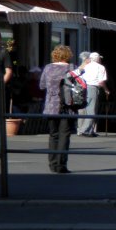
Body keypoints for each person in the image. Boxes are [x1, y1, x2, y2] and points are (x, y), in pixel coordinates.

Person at [39, 44, 76, 174]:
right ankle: (61, 164)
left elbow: (42, 85)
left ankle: (52, 163)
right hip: (67, 106)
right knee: (64, 135)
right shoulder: (72, 68)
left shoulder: (48, 68)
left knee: (53, 135)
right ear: (68, 55)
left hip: (51, 105)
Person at [77, 52, 108, 137]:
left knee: (87, 109)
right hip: (93, 87)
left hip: (84, 87)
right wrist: (106, 90)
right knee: (92, 110)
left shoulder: (86, 66)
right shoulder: (101, 67)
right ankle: (84, 130)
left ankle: (89, 130)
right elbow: (101, 81)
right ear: (98, 59)